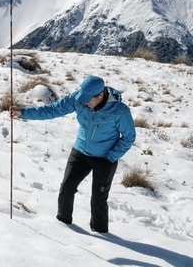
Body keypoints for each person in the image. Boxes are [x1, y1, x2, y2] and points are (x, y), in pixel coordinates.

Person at [11, 75, 136, 233]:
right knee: (66, 189)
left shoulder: (119, 111)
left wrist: (111, 157)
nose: (84, 102)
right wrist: (23, 113)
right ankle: (63, 227)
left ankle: (102, 237)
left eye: (88, 99)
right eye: (82, 98)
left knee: (98, 200)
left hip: (105, 159)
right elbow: (53, 109)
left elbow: (129, 137)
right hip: (80, 153)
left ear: (100, 95)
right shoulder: (78, 99)